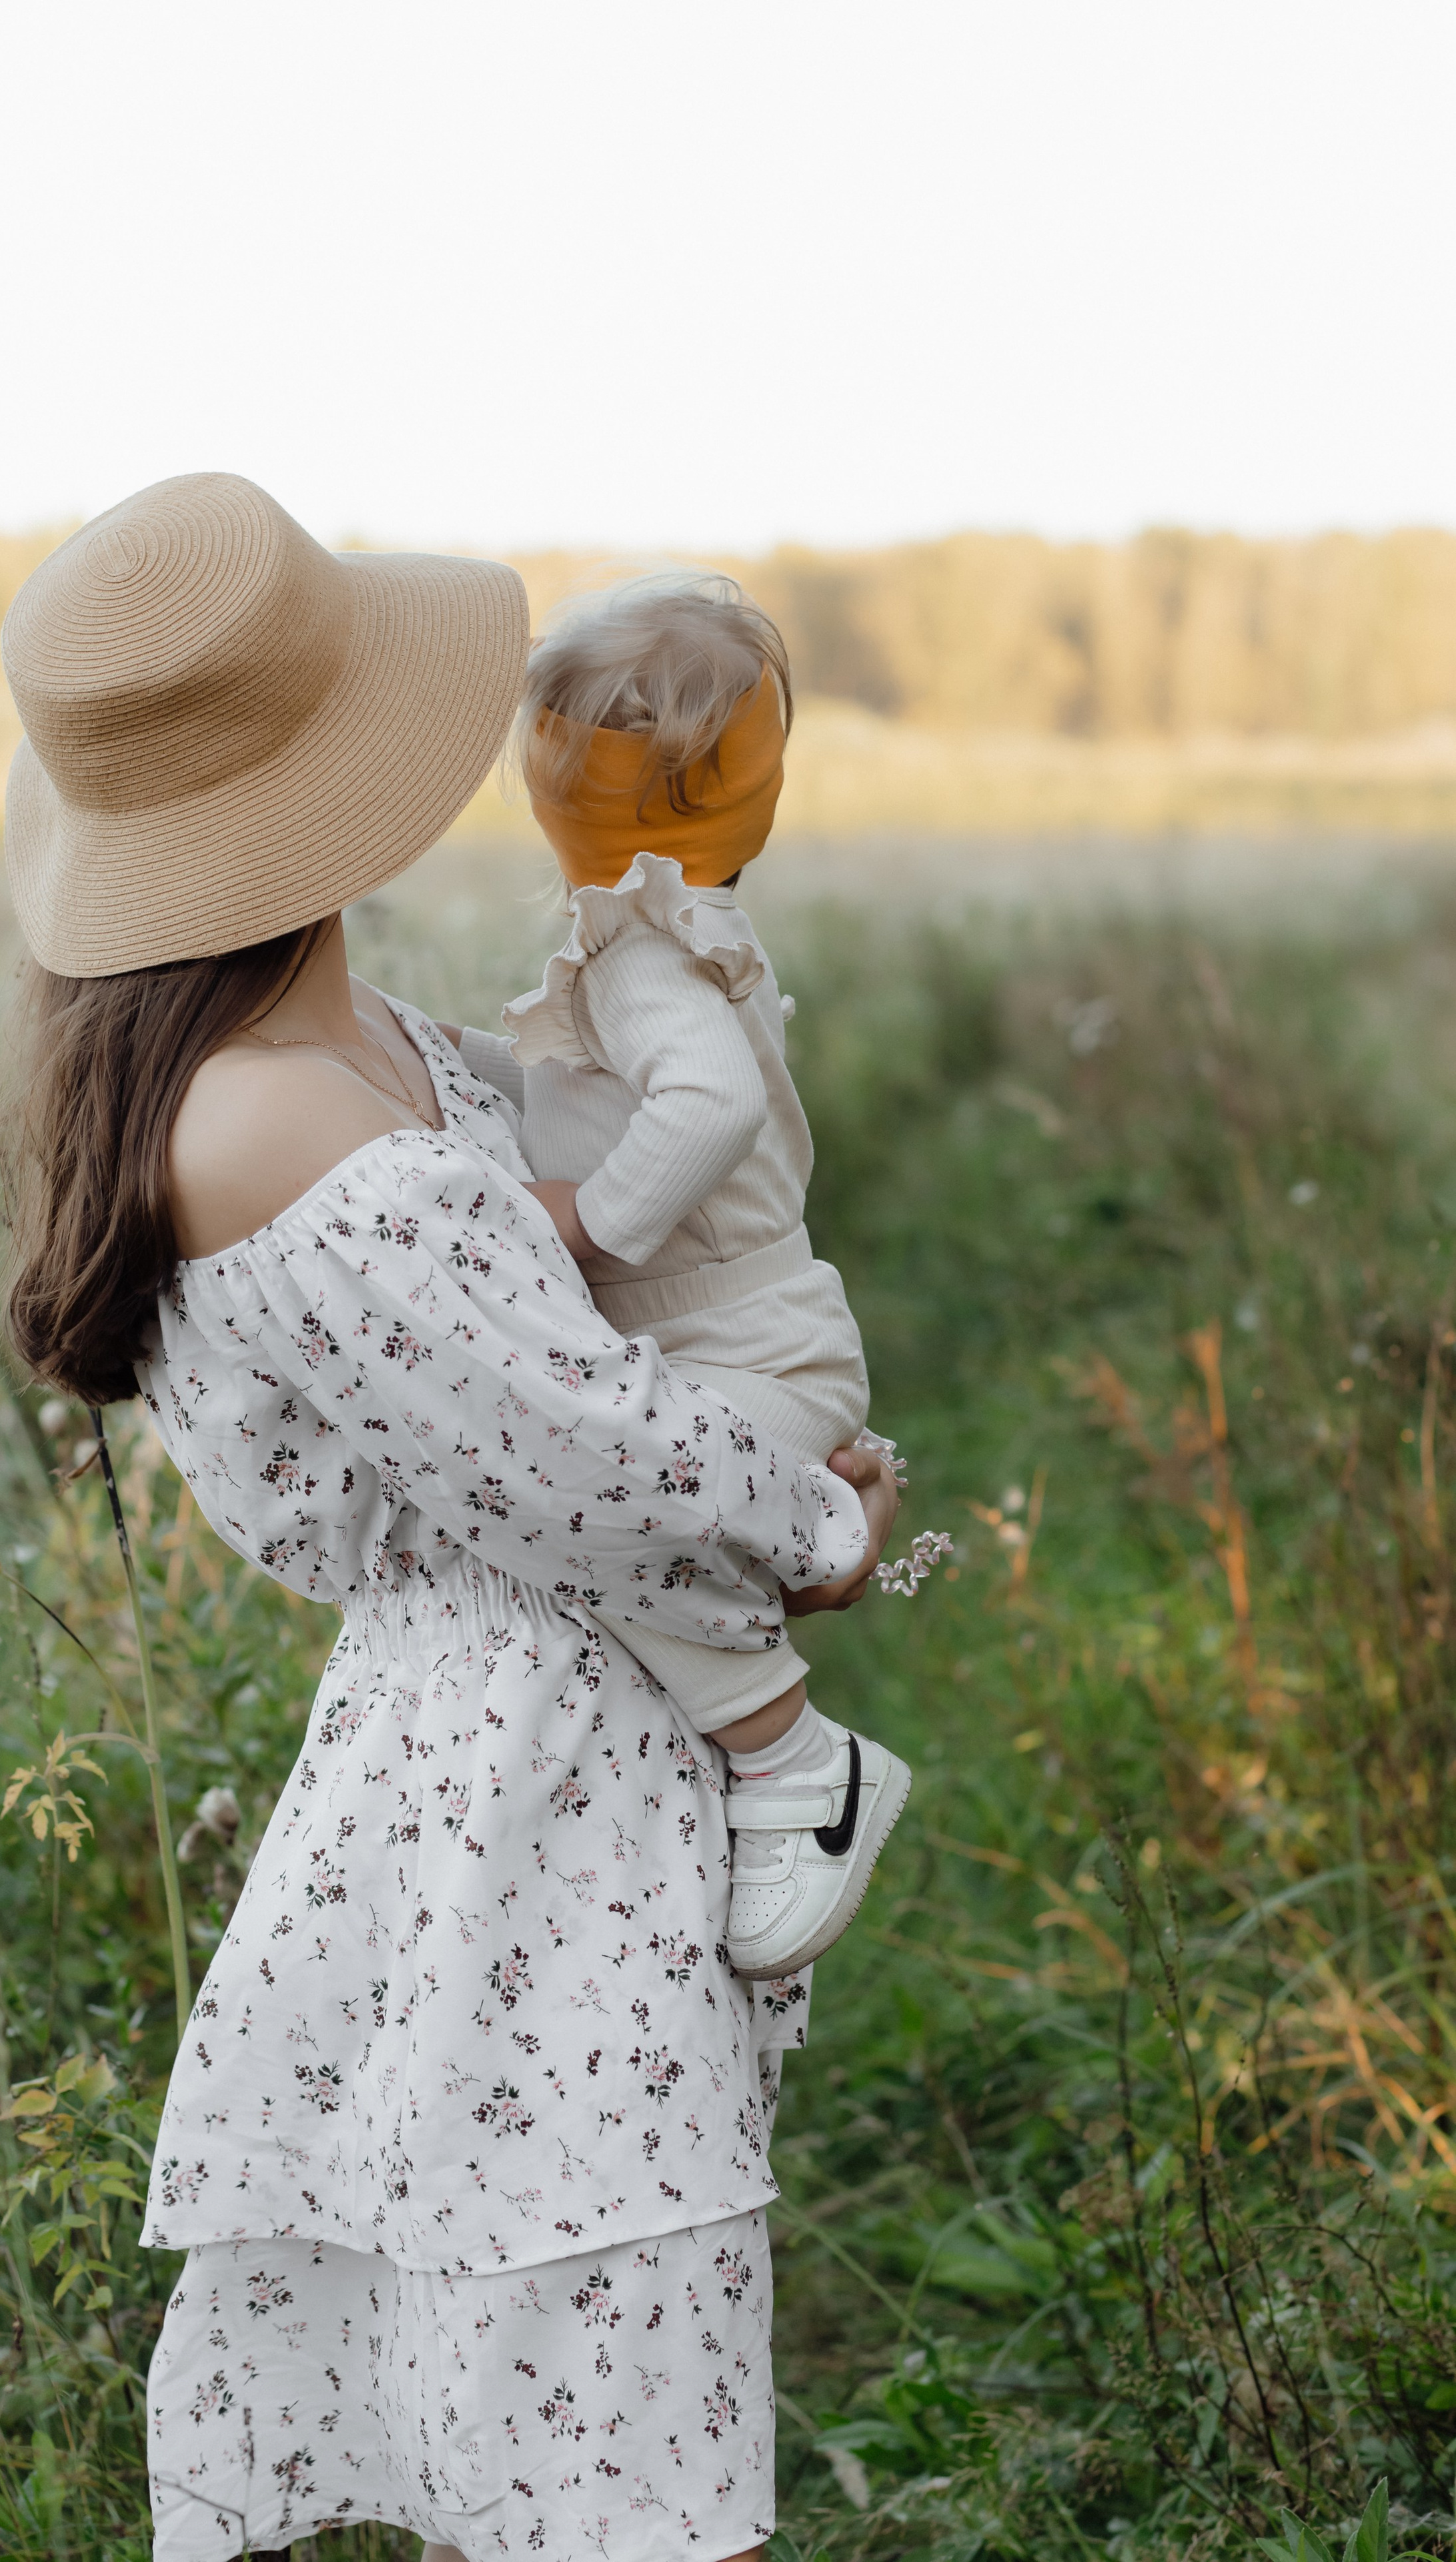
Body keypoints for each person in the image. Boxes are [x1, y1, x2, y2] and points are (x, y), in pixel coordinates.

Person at [0, 473, 900, 2562]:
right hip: (518, 1790)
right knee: (614, 2399)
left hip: (492, 1761)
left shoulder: (328, 1050)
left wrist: (757, 1462)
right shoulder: (292, 1129)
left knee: (544, 2363)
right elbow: (588, 1454)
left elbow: (580, 1373)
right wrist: (809, 1529)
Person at [445, 571, 912, 1984]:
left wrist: (582, 1228)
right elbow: (588, 1095)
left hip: (743, 1351)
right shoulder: (667, 932)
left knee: (609, 1506)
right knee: (608, 1501)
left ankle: (790, 1763)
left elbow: (697, 1109)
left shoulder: (645, 955)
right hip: (746, 1337)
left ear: (554, 778)